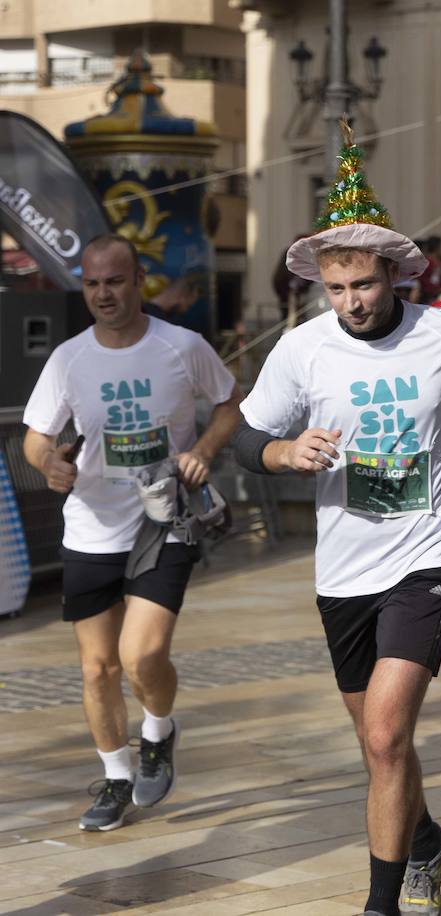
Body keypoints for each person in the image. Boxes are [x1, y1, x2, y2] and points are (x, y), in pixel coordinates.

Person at [231, 130, 441, 916]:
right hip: (342, 572)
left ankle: (380, 905)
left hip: (429, 558)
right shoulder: (300, 352)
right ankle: (426, 839)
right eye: (337, 288)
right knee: (378, 746)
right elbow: (242, 438)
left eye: (363, 283)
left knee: (389, 736)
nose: (353, 301)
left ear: (393, 273)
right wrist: (284, 452)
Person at [22, 233, 243, 832]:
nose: (103, 294)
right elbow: (36, 436)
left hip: (161, 520)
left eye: (114, 281)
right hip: (90, 526)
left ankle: (159, 731)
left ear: (138, 279)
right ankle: (116, 778)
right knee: (98, 669)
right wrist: (49, 463)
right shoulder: (68, 359)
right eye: (92, 284)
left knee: (141, 655)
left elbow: (231, 403)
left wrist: (200, 450)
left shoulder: (181, 346)